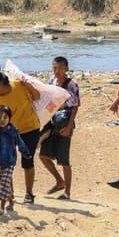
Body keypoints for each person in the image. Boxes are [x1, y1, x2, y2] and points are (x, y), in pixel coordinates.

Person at [0, 70, 42, 204]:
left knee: (27, 161)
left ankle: (29, 194)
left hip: (30, 128)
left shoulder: (19, 86)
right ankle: (10, 193)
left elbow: (37, 96)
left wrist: (28, 84)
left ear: (2, 83)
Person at [0, 106, 33, 216]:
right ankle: (11, 202)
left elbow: (20, 143)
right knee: (4, 184)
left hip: (10, 161)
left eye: (5, 117)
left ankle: (1, 207)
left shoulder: (13, 131)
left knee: (4, 182)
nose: (2, 120)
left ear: (10, 118)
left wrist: (26, 153)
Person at [39, 56, 81, 200]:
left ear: (66, 69)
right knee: (43, 156)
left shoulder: (71, 84)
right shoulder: (51, 81)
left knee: (64, 160)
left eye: (60, 68)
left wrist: (69, 126)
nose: (56, 70)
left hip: (64, 123)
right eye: (54, 67)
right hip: (52, 122)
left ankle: (67, 193)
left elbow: (75, 107)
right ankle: (59, 181)